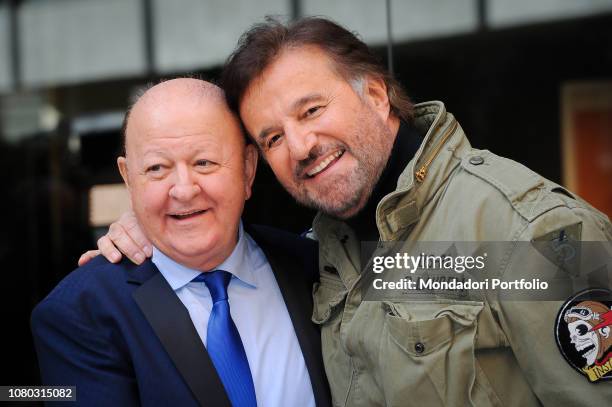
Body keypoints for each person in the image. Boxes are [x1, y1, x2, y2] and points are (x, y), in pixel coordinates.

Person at [87, 18, 612, 406]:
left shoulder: (535, 235)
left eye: (311, 110)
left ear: (377, 94)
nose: (300, 145)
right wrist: (156, 222)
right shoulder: (322, 253)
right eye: (272, 137)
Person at [32, 79, 331, 406]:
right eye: (157, 168)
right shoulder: (81, 313)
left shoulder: (315, 267)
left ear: (247, 169)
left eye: (204, 162)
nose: (184, 190)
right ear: (129, 179)